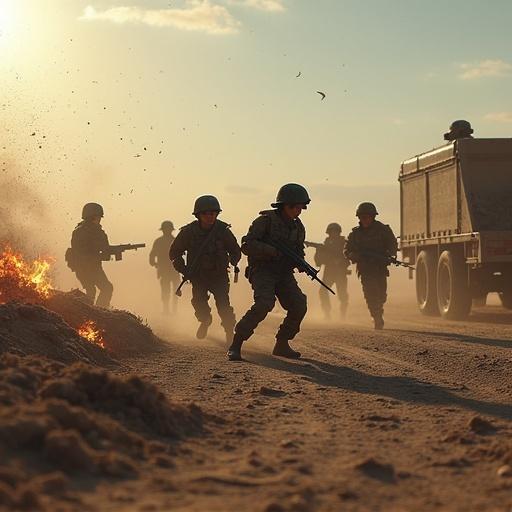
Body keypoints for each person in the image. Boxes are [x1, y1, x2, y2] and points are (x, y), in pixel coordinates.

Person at [227, 183, 310, 361]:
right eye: (295, 207)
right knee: (265, 303)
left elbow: (298, 251)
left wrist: (301, 264)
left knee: (299, 304)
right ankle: (236, 343)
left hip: (284, 273)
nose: (299, 211)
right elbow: (247, 245)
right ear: (284, 205)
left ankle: (282, 344)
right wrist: (270, 250)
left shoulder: (298, 227)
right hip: (263, 270)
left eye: (301, 207)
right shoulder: (265, 221)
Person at [169, 195, 241, 343]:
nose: (209, 217)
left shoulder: (223, 231)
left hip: (219, 275)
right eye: (205, 214)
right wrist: (184, 269)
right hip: (198, 276)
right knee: (198, 302)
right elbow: (174, 253)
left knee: (223, 305)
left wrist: (233, 261)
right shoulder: (188, 232)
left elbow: (235, 250)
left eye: (213, 213)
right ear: (198, 215)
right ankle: (205, 320)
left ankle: (229, 331)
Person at [344, 202, 397, 330]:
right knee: (371, 294)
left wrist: (390, 254)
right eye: (362, 217)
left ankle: (378, 310)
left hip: (380, 268)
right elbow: (347, 250)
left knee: (382, 295)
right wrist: (353, 255)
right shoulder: (355, 234)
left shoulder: (383, 230)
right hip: (365, 269)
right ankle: (377, 317)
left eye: (367, 217)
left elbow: (392, 244)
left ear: (373, 217)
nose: (365, 220)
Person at [68, 202, 114, 308]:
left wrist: (107, 252)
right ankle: (96, 312)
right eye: (98, 217)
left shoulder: (86, 231)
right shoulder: (87, 231)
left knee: (98, 289)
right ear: (92, 217)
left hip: (89, 267)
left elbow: (102, 249)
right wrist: (103, 254)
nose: (99, 220)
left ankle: (97, 311)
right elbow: (84, 252)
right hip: (86, 267)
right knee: (99, 289)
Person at [313, 222, 350, 319]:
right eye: (331, 232)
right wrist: (319, 251)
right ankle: (327, 313)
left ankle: (343, 315)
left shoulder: (345, 244)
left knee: (342, 295)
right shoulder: (326, 245)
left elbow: (349, 258)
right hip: (329, 272)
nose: (333, 234)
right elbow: (318, 262)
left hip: (341, 273)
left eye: (335, 232)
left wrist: (340, 261)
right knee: (323, 291)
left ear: (339, 233)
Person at [149, 221, 180, 315]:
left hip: (171, 270)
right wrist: (154, 263)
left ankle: (170, 310)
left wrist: (154, 263)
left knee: (170, 291)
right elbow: (152, 256)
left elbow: (152, 256)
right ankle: (169, 310)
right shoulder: (175, 241)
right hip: (171, 270)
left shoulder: (160, 241)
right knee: (169, 291)